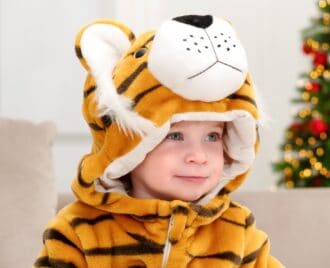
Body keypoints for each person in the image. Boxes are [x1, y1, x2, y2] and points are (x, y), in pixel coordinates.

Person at [34, 14, 283, 267]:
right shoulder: (78, 229)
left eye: (212, 136)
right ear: (129, 144)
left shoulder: (238, 231)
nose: (198, 156)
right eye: (175, 135)